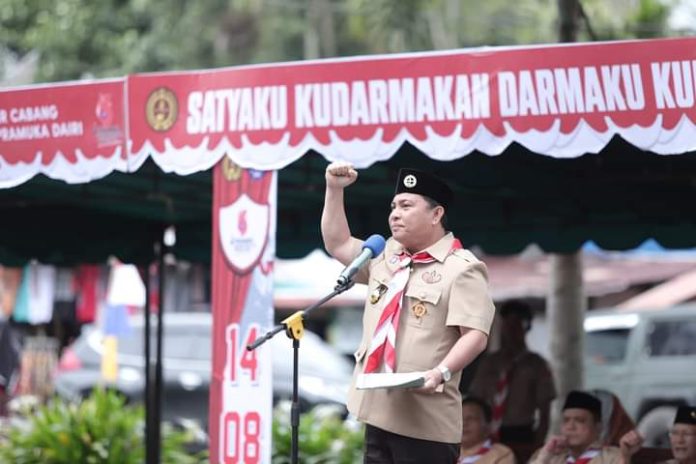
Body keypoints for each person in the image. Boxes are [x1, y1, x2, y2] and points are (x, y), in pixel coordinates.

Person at [321, 162, 496, 464]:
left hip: (424, 423)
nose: (395, 214)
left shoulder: (462, 268)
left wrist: (441, 372)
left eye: (406, 206)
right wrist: (334, 190)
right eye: (393, 207)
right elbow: (338, 243)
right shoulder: (386, 255)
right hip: (378, 411)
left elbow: (475, 335)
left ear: (436, 214)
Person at [469, 300, 556, 452]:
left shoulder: (537, 365)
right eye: (506, 325)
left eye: (516, 325)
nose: (510, 330)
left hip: (520, 433)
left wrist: (537, 444)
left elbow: (545, 410)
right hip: (487, 431)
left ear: (527, 327)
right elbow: (475, 399)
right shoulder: (489, 363)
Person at [529, 390, 643, 464]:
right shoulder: (548, 454)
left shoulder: (613, 456)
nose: (570, 427)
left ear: (598, 427)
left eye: (580, 420)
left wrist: (625, 456)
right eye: (566, 420)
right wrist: (543, 458)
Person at [458, 396, 515, 464]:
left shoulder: (502, 454)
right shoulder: (449, 453)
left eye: (471, 418)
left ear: (488, 425)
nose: (464, 423)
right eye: (460, 418)